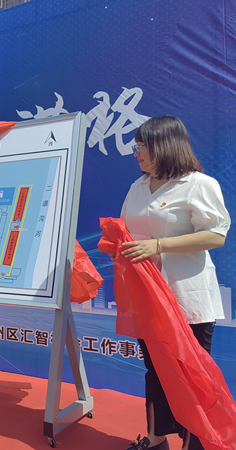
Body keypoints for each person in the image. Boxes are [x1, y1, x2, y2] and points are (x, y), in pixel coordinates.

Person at [108, 116, 230, 450]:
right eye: (135, 147)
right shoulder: (138, 186)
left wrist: (159, 246)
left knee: (192, 377)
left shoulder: (197, 184)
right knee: (156, 371)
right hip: (148, 298)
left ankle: (196, 445)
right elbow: (128, 231)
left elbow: (215, 235)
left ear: (164, 145)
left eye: (141, 146)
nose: (136, 154)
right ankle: (155, 439)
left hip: (186, 298)